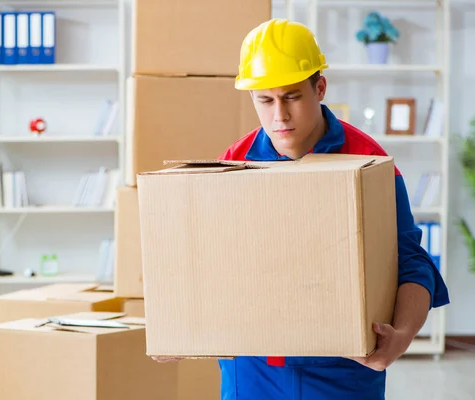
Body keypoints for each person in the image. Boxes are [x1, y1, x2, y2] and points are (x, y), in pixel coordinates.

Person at [152, 18, 450, 399]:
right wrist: (175, 324)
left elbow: (410, 260)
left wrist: (402, 336)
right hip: (252, 372)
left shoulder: (369, 163)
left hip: (342, 371)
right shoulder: (232, 163)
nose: (279, 115)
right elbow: (203, 264)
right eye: (265, 99)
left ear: (319, 87)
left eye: (292, 96)